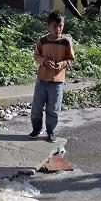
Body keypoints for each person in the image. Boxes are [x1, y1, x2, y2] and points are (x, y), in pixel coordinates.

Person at [29, 11, 75, 143]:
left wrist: (62, 64)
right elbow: (36, 56)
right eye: (54, 26)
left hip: (57, 81)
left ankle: (51, 131)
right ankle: (37, 129)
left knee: (53, 109)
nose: (58, 29)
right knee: (36, 107)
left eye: (60, 26)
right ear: (48, 26)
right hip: (42, 79)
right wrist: (43, 61)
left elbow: (71, 58)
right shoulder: (42, 40)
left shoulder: (66, 42)